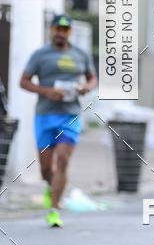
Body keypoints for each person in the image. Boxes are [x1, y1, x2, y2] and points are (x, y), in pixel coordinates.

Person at [20, 14, 97, 227]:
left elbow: (92, 78)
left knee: (62, 160)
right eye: (58, 29)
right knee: (46, 168)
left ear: (70, 32)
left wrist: (86, 87)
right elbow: (23, 81)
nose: (61, 33)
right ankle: (50, 186)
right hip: (45, 115)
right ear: (52, 30)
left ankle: (54, 210)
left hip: (70, 115)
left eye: (65, 30)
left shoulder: (80, 54)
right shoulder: (40, 55)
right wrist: (47, 91)